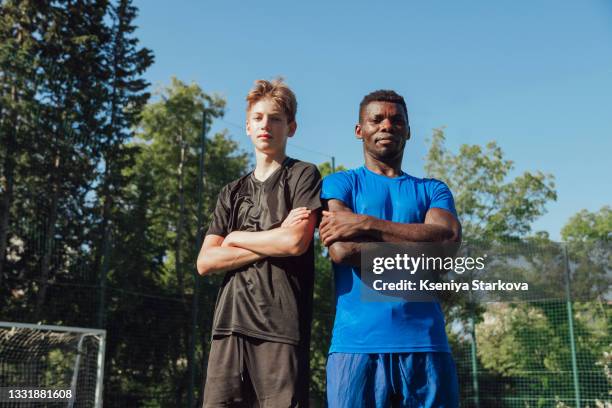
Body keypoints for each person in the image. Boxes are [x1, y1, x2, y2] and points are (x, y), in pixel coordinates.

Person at [320, 90, 461, 407]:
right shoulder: (340, 183)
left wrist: (368, 224)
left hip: (426, 344)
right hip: (356, 346)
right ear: (360, 130)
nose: (387, 125)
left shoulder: (432, 189)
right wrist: (423, 245)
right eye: (377, 119)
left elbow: (448, 246)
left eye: (397, 120)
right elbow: (342, 250)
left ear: (408, 131)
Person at [196, 78, 321, 407]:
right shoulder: (231, 192)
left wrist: (235, 238)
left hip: (279, 327)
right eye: (258, 118)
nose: (266, 125)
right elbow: (206, 261)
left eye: (276, 118)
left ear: (291, 128)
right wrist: (270, 238)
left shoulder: (303, 175)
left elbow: (295, 242)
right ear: (248, 127)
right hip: (228, 328)